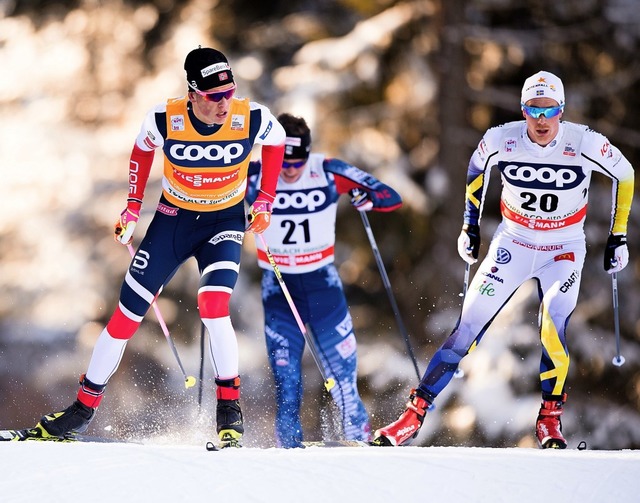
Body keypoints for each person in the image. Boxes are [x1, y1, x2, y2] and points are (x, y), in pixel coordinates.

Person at [29, 47, 285, 447]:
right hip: (173, 221)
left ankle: (229, 411)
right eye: (215, 96)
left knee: (214, 304)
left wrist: (265, 200)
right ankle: (80, 410)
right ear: (194, 93)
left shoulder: (250, 116)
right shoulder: (166, 118)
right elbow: (142, 149)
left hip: (224, 222)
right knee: (126, 315)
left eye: (229, 93)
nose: (224, 104)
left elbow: (277, 141)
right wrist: (132, 207)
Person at [373, 71, 634, 449]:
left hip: (563, 248)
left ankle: (549, 419)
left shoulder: (584, 142)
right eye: (533, 109)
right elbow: (476, 169)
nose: (541, 120)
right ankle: (412, 417)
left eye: (550, 110)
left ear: (562, 110)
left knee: (552, 321)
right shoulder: (502, 138)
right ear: (523, 109)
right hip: (515, 243)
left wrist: (618, 235)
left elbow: (624, 174)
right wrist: (470, 227)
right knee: (467, 328)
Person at [246, 113, 403, 448]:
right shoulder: (255, 175)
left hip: (323, 289)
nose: (289, 169)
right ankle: (289, 464)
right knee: (287, 386)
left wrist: (367, 198)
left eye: (297, 160)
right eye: (284, 161)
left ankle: (360, 452)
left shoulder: (327, 170)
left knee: (344, 384)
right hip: (279, 292)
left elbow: (390, 196)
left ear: (308, 152)